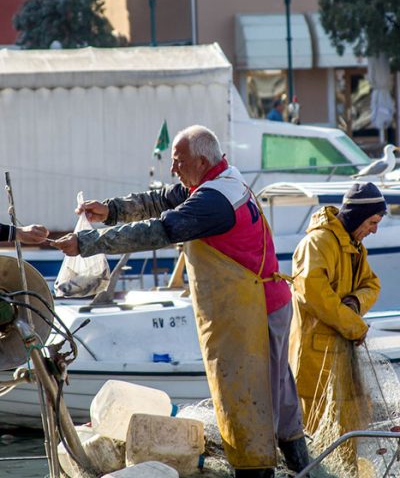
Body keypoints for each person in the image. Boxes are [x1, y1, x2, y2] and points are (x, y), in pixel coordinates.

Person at [53, 125, 309, 478]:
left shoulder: (213, 202)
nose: (174, 169)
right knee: (279, 394)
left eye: (179, 162)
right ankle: (301, 465)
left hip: (254, 312)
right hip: (262, 304)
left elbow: (159, 230)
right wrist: (109, 211)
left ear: (202, 161)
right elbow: (160, 200)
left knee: (250, 403)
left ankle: (256, 470)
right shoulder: (221, 181)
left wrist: (89, 243)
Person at [289, 182, 384, 440]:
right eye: (372, 222)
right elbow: (313, 293)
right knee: (315, 436)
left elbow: (372, 284)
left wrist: (355, 300)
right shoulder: (317, 243)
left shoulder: (354, 247)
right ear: (358, 216)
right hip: (314, 360)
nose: (374, 230)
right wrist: (355, 326)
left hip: (340, 357)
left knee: (346, 435)